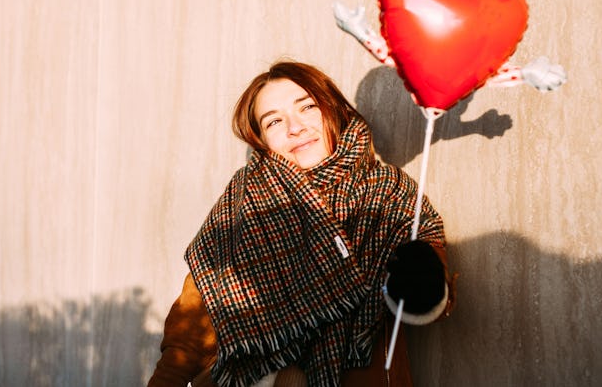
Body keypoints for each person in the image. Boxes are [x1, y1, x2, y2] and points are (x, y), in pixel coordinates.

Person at [148, 61, 456, 387]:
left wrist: (421, 284)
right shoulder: (242, 203)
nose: (295, 127)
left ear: (332, 111)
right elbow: (191, 326)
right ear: (262, 140)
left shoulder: (388, 191)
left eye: (308, 107)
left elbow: (431, 290)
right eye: (275, 121)